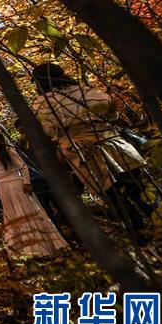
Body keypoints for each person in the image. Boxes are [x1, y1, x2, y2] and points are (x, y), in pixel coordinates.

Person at [31, 63, 154, 231]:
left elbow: (48, 129)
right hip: (112, 141)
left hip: (84, 151)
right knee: (137, 188)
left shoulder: (43, 102)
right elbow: (112, 112)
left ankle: (138, 232)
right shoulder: (86, 91)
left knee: (113, 195)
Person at [0, 131, 68, 258]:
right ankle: (23, 250)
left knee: (25, 212)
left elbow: (23, 167)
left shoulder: (8, 150)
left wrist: (27, 183)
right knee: (13, 216)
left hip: (15, 184)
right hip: (3, 187)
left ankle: (40, 249)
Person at [13, 119, 66, 234]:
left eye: (23, 128)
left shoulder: (41, 138)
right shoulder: (18, 145)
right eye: (19, 129)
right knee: (47, 212)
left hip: (51, 177)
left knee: (63, 206)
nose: (22, 131)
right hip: (35, 181)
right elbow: (21, 164)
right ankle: (62, 237)